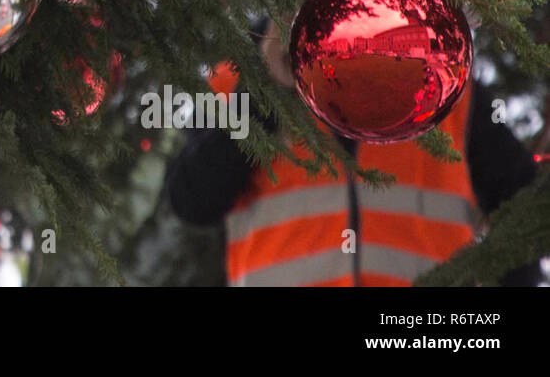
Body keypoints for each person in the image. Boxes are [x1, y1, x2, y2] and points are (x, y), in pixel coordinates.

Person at [166, 18, 538, 286]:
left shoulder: (440, 74)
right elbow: (193, 199)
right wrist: (264, 91)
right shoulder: (235, 77)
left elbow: (525, 208)